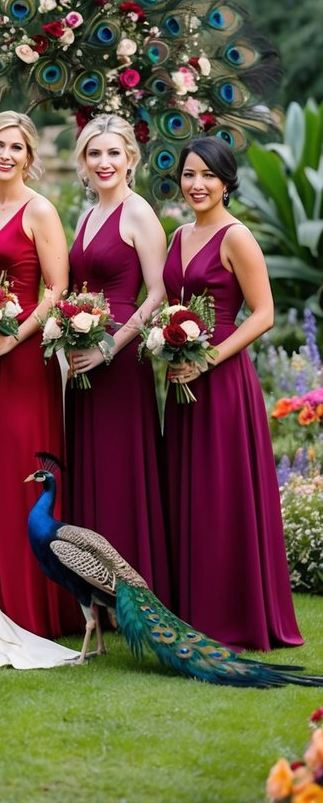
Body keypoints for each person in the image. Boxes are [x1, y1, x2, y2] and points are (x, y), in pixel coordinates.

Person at [162, 137, 302, 650]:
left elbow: (262, 313)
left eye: (208, 176)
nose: (197, 185)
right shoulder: (178, 235)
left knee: (221, 491)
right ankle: (193, 609)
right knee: (188, 488)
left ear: (226, 182)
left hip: (220, 378)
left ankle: (231, 613)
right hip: (182, 378)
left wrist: (208, 359)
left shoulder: (235, 236)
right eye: (189, 174)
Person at [0, 111, 78, 638]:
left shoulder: (41, 211)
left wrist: (13, 337)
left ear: (29, 157)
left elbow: (56, 289)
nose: (5, 154)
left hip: (25, 358)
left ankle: (31, 602)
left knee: (19, 467)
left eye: (15, 147)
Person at [65, 114, 170, 598]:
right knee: (89, 465)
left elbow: (157, 294)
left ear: (130, 158)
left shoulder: (138, 212)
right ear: (83, 163)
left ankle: (131, 590)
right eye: (94, 153)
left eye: (113, 153)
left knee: (119, 468)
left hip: (121, 360)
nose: (103, 162)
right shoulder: (87, 217)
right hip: (84, 358)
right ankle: (95, 590)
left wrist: (110, 344)